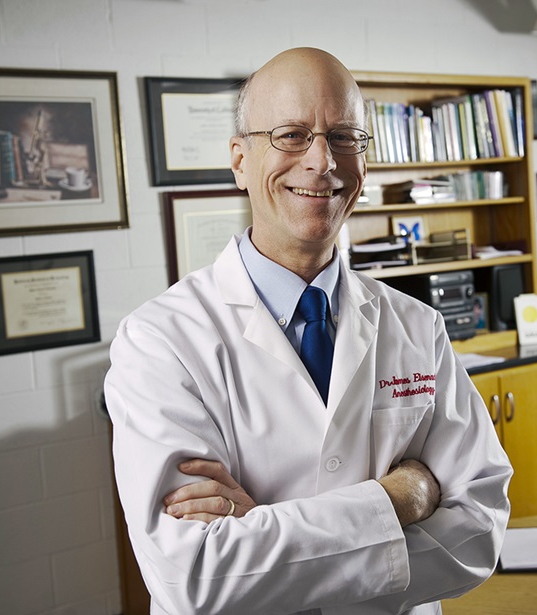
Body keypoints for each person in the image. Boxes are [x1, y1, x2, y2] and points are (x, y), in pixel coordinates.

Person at [105, 47, 512, 615]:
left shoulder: (418, 325)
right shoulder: (160, 341)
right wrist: (399, 499)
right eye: (292, 135)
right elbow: (194, 577)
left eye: (345, 136)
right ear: (240, 160)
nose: (323, 161)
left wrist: (263, 538)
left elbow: (478, 535)